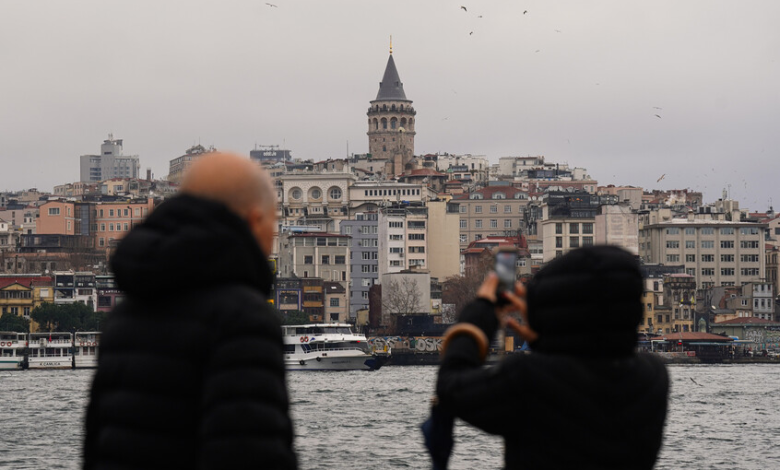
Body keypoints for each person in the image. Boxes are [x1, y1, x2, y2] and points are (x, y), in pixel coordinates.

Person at [83, 153, 296, 470]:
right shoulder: (241, 318)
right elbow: (249, 452)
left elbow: (96, 446)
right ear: (254, 220)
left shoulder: (125, 316)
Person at [428, 245, 669, 470]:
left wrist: (480, 312)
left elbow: (451, 386)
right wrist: (547, 337)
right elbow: (586, 363)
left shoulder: (527, 377)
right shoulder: (653, 376)